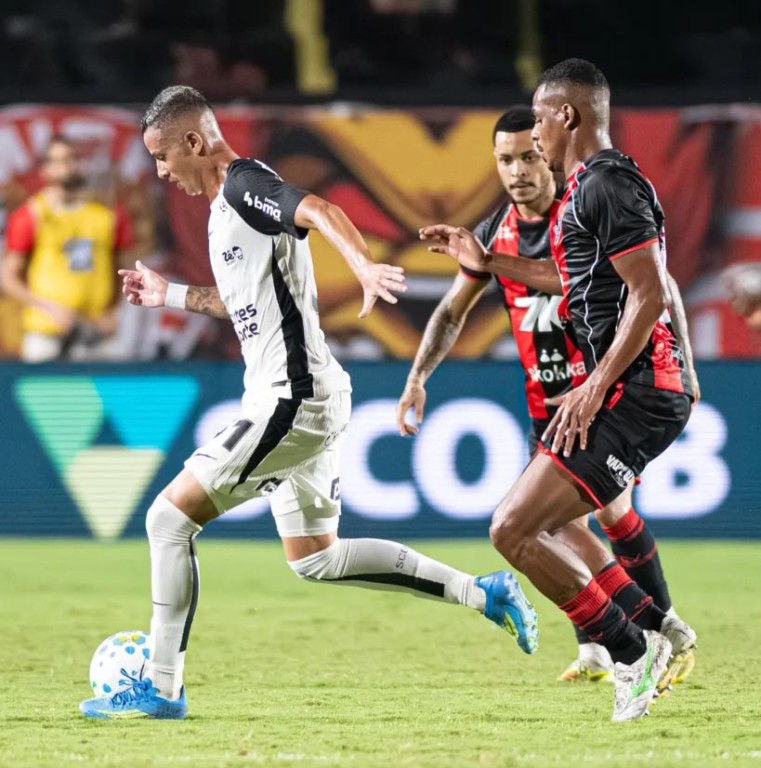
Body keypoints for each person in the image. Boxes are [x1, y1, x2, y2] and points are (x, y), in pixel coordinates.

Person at [78, 86, 538, 720]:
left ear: (193, 142)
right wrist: (170, 295)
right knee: (318, 557)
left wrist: (364, 266)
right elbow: (243, 304)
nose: (159, 171)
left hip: (292, 399)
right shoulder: (227, 208)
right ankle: (485, 593)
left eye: (162, 156)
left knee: (167, 519)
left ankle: (161, 686)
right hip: (305, 394)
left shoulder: (243, 184)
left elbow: (318, 208)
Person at [420, 59, 697, 722]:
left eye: (540, 120)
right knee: (531, 527)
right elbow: (577, 282)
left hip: (634, 391)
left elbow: (650, 292)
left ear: (566, 115)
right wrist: (490, 262)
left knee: (515, 528)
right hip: (628, 389)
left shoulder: (607, 184)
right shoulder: (589, 187)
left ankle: (633, 648)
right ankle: (648, 633)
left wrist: (594, 385)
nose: (535, 135)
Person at [1, 135, 134, 362]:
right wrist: (49, 309)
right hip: (47, 332)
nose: (68, 166)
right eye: (60, 161)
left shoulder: (107, 214)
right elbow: (8, 277)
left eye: (74, 158)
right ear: (45, 170)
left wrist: (115, 312)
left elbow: (127, 270)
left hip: (96, 330)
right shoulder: (32, 215)